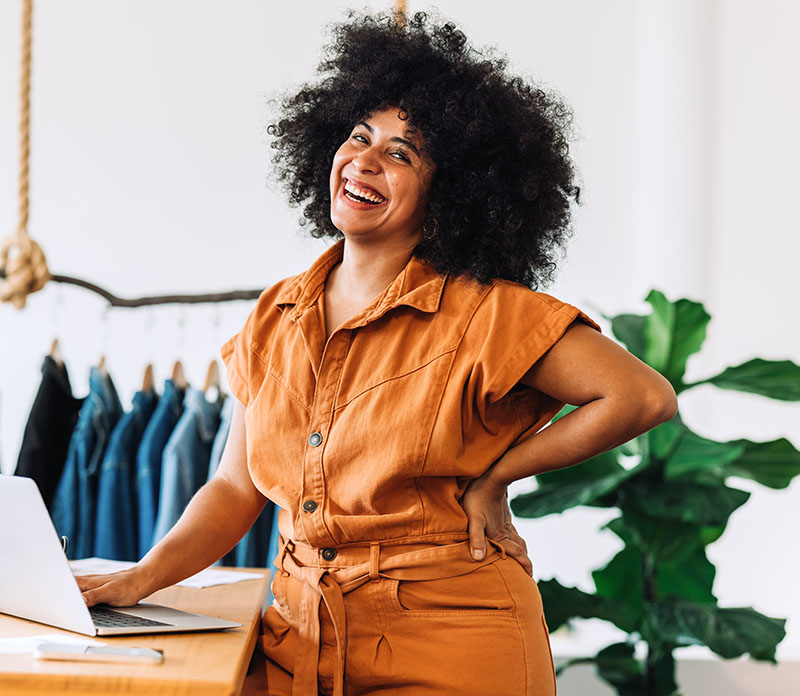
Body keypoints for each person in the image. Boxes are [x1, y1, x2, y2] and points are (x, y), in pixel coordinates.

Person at [77, 12, 677, 696]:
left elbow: (641, 396)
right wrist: (136, 579)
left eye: (402, 153)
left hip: (453, 647)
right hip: (302, 636)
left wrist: (499, 474)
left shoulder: (487, 313)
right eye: (360, 136)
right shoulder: (276, 314)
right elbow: (234, 488)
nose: (364, 160)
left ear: (449, 195)